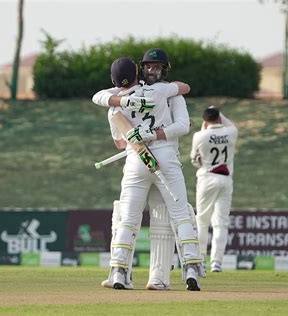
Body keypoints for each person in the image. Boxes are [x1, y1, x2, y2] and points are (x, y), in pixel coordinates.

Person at [92, 56, 204, 291]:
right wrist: (154, 133)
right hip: (166, 158)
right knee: (180, 213)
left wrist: (134, 123)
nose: (151, 70)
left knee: (128, 218)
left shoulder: (114, 106)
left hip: (135, 159)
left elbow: (120, 144)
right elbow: (185, 88)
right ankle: (192, 267)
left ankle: (119, 272)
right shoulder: (161, 91)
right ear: (138, 72)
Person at [189, 106, 238, 272]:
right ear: (219, 117)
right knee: (221, 223)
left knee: (202, 221)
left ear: (204, 121)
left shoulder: (199, 136)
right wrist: (217, 112)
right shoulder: (231, 132)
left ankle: (200, 259)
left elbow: (195, 161)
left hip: (206, 178)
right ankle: (216, 263)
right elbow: (227, 123)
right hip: (225, 179)